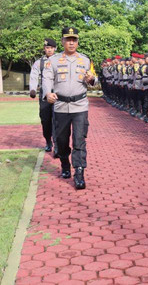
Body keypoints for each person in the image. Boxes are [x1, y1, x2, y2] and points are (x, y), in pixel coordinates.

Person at [42, 27, 97, 190]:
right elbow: (46, 79)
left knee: (79, 140)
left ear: (77, 42)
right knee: (61, 140)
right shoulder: (53, 61)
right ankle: (65, 164)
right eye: (68, 40)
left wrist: (92, 79)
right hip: (60, 106)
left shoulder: (86, 60)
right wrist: (47, 93)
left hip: (80, 106)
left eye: (74, 40)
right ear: (63, 42)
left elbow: (94, 81)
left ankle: (79, 173)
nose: (71, 43)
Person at [30, 38, 58, 153]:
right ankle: (48, 141)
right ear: (44, 49)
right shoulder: (39, 63)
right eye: (47, 48)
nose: (49, 50)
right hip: (45, 95)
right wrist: (32, 89)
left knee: (57, 119)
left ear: (55, 49)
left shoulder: (60, 61)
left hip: (57, 93)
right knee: (45, 119)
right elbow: (34, 76)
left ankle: (57, 145)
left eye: (51, 48)